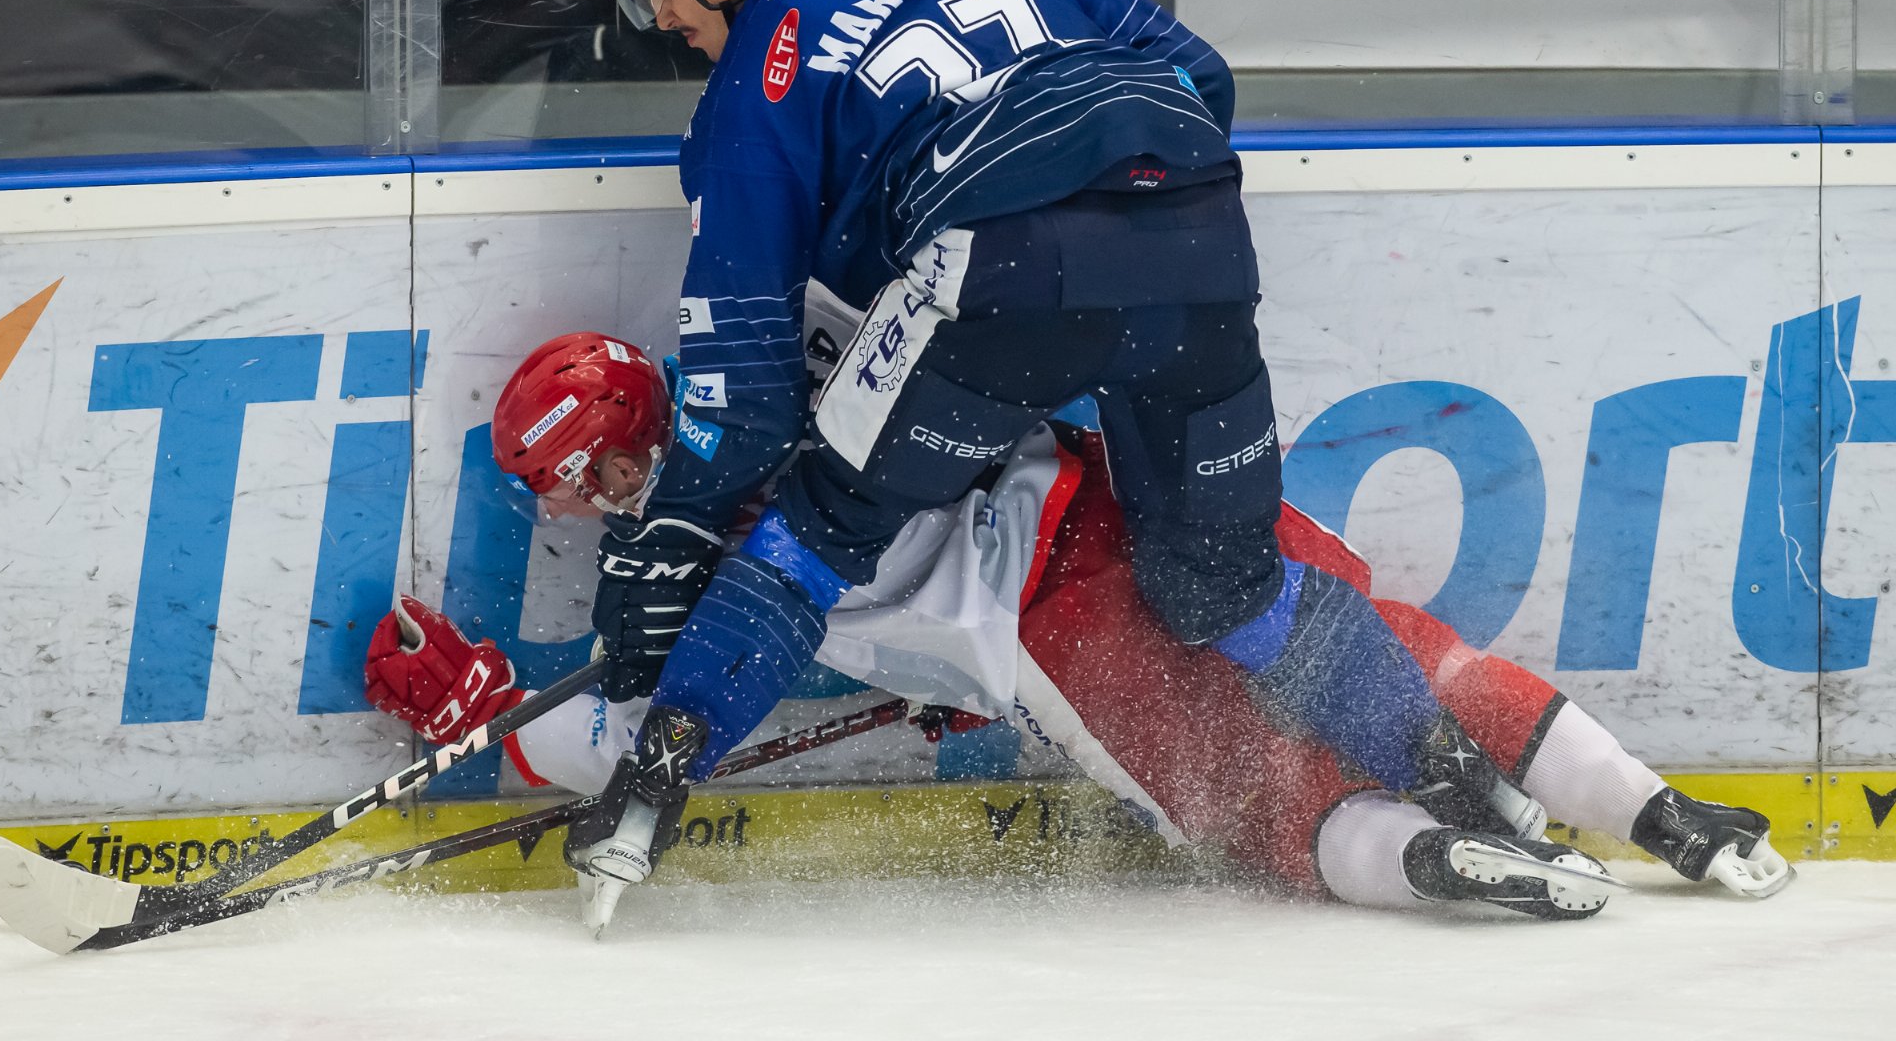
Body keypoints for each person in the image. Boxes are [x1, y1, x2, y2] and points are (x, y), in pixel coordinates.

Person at [571, 0, 1546, 930]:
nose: (659, 17)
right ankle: (1470, 779)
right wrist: (1123, 223)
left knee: (816, 534)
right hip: (1197, 234)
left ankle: (641, 804)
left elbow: (745, 384)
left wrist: (675, 529)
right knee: (1226, 586)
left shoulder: (757, 75)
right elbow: (1201, 74)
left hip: (1004, 270)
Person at [365, 327, 1791, 928]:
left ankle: (1433, 859)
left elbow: (638, 737)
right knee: (1404, 655)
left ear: (614, 454)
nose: (583, 509)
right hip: (1131, 490)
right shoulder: (786, 342)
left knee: (1261, 802)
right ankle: (1665, 814)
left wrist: (489, 722)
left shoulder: (684, 559)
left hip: (1047, 631)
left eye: (579, 482)